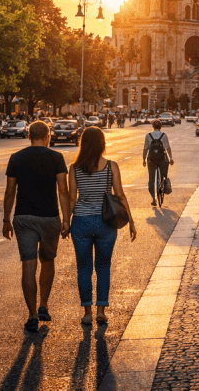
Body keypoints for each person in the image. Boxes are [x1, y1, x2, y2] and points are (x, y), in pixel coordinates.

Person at [2, 120, 70, 333]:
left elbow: (10, 192)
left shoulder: (16, 158)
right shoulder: (56, 157)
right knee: (48, 261)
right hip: (49, 217)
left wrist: (6, 219)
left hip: (23, 218)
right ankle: (43, 306)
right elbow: (63, 190)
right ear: (48, 136)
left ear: (29, 136)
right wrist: (66, 219)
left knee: (28, 266)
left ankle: (32, 315)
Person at [66, 127, 136, 326]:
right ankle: (101, 312)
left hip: (81, 221)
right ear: (102, 143)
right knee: (103, 267)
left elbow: (72, 198)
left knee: (83, 268)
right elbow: (120, 195)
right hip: (105, 222)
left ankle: (87, 312)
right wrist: (131, 221)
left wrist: (65, 221)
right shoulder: (111, 166)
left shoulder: (75, 168)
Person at [144, 120, 175, 204]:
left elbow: (145, 149)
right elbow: (168, 147)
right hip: (162, 158)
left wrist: (144, 160)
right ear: (161, 126)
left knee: (151, 179)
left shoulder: (148, 135)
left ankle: (153, 199)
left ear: (153, 126)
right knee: (164, 172)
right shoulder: (164, 135)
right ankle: (164, 181)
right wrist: (171, 158)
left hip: (151, 159)